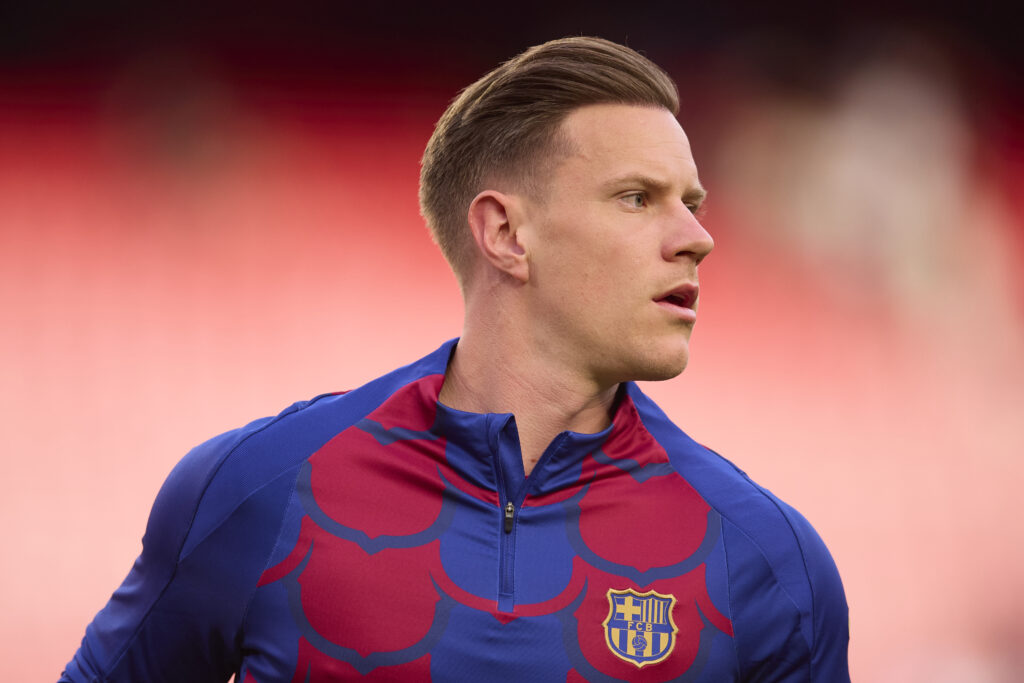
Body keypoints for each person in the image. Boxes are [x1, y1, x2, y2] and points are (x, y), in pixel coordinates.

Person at [61, 37, 850, 682]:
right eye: (638, 198)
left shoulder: (766, 560)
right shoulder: (260, 491)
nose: (696, 237)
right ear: (506, 234)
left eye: (693, 203)